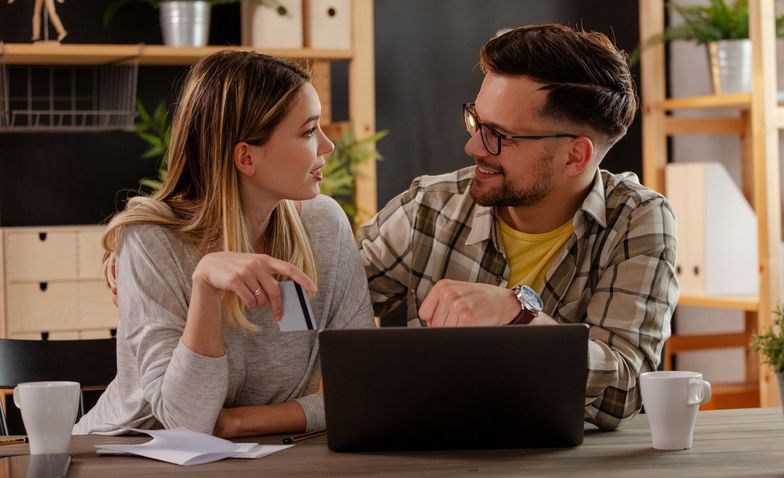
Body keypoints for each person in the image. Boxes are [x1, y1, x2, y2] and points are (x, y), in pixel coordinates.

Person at [358, 24, 677, 430]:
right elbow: (320, 308)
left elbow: (626, 390)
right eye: (476, 123)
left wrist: (519, 314)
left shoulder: (636, 220)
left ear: (575, 156)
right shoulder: (431, 208)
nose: (473, 147)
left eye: (499, 136)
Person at [74, 51, 373, 437]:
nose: (328, 146)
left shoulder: (324, 225)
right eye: (309, 131)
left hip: (258, 454)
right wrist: (205, 287)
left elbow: (362, 390)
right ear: (246, 157)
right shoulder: (152, 243)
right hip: (126, 455)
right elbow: (188, 420)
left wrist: (235, 422)